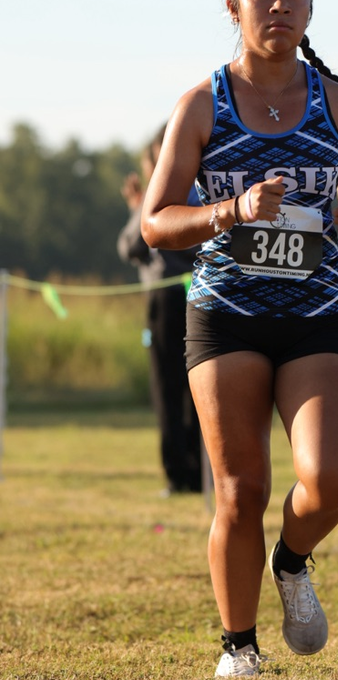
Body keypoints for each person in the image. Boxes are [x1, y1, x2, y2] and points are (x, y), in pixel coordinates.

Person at [141, 0, 338, 677]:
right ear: (232, 6)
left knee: (330, 479)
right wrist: (231, 210)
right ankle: (238, 650)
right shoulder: (201, 105)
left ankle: (292, 561)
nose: (280, 3)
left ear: (311, 8)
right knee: (241, 486)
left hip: (314, 313)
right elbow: (157, 222)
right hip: (225, 314)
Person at [118, 126, 203, 496]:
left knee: (167, 386)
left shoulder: (163, 191)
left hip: (165, 300)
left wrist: (139, 208)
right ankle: (201, 473)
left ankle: (177, 474)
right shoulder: (205, 190)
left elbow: (133, 245)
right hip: (201, 296)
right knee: (201, 387)